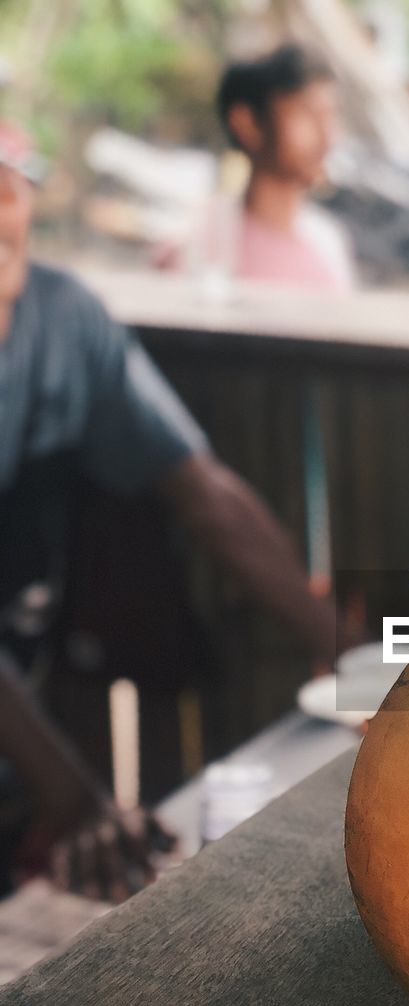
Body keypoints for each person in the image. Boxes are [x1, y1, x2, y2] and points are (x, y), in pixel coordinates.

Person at [0, 120, 341, 902]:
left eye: (6, 187)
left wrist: (351, 651)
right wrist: (77, 798)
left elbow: (208, 496)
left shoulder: (64, 323)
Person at [210, 42, 355, 291]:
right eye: (308, 114)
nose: (327, 137)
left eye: (330, 116)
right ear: (246, 123)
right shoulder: (204, 247)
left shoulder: (327, 243)